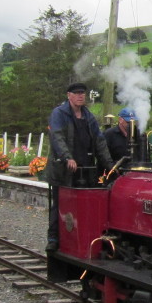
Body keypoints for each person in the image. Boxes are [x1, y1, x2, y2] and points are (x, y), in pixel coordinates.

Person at [44, 82, 113, 251]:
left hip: (86, 169)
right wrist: (68, 158)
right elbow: (57, 137)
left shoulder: (88, 116)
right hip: (63, 170)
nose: (80, 96)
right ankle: (53, 238)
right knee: (59, 204)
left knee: (86, 205)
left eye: (82, 93)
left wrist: (110, 165)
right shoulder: (59, 114)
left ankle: (84, 238)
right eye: (76, 93)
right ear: (69, 95)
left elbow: (99, 141)